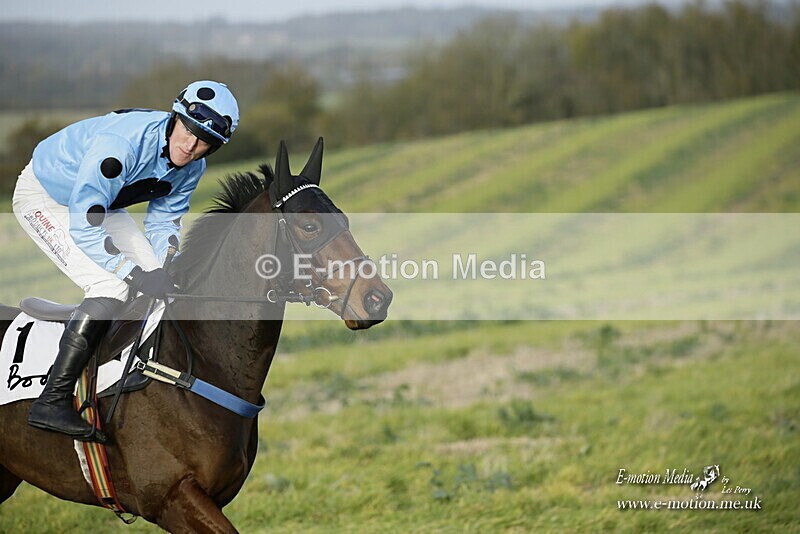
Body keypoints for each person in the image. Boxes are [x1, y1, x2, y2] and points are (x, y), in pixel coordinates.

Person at [12, 80, 239, 442]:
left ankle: (132, 372)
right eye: (188, 131)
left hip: (104, 204)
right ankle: (51, 400)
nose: (191, 146)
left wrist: (161, 269)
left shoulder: (192, 167)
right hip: (48, 198)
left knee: (163, 279)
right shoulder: (121, 146)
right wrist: (133, 273)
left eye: (204, 142)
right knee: (111, 283)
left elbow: (164, 221)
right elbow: (86, 225)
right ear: (175, 117)